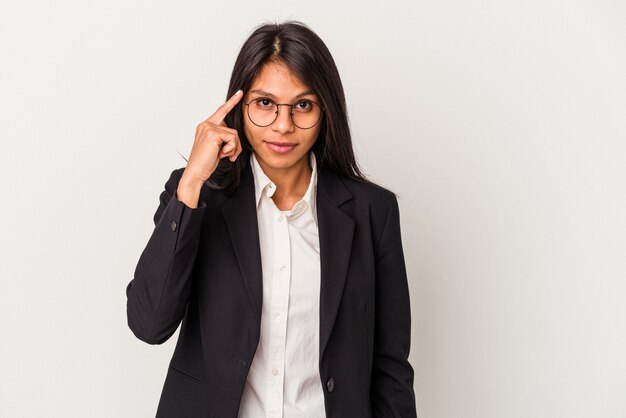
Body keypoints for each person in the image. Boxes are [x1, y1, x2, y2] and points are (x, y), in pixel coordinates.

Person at [126, 21, 417, 418]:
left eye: (303, 105)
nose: (283, 125)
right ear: (238, 108)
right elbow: (149, 322)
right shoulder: (197, 198)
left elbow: (391, 369)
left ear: (325, 110)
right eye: (265, 103)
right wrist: (193, 180)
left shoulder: (372, 212)